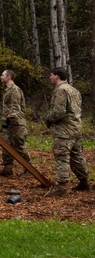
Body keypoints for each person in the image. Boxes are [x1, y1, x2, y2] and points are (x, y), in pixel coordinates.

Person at [44, 67, 90, 196]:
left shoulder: (61, 91)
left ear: (57, 76)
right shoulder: (74, 90)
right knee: (76, 156)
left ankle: (62, 187)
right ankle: (84, 181)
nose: (50, 77)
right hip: (75, 128)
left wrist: (48, 119)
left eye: (51, 75)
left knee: (61, 156)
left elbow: (59, 111)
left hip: (64, 130)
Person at [0, 69, 31, 177]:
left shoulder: (15, 90)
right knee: (6, 145)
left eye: (2, 75)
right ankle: (8, 169)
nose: (1, 77)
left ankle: (29, 169)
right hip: (8, 123)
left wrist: (8, 119)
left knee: (19, 146)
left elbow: (15, 108)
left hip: (16, 124)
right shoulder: (7, 90)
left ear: (9, 77)